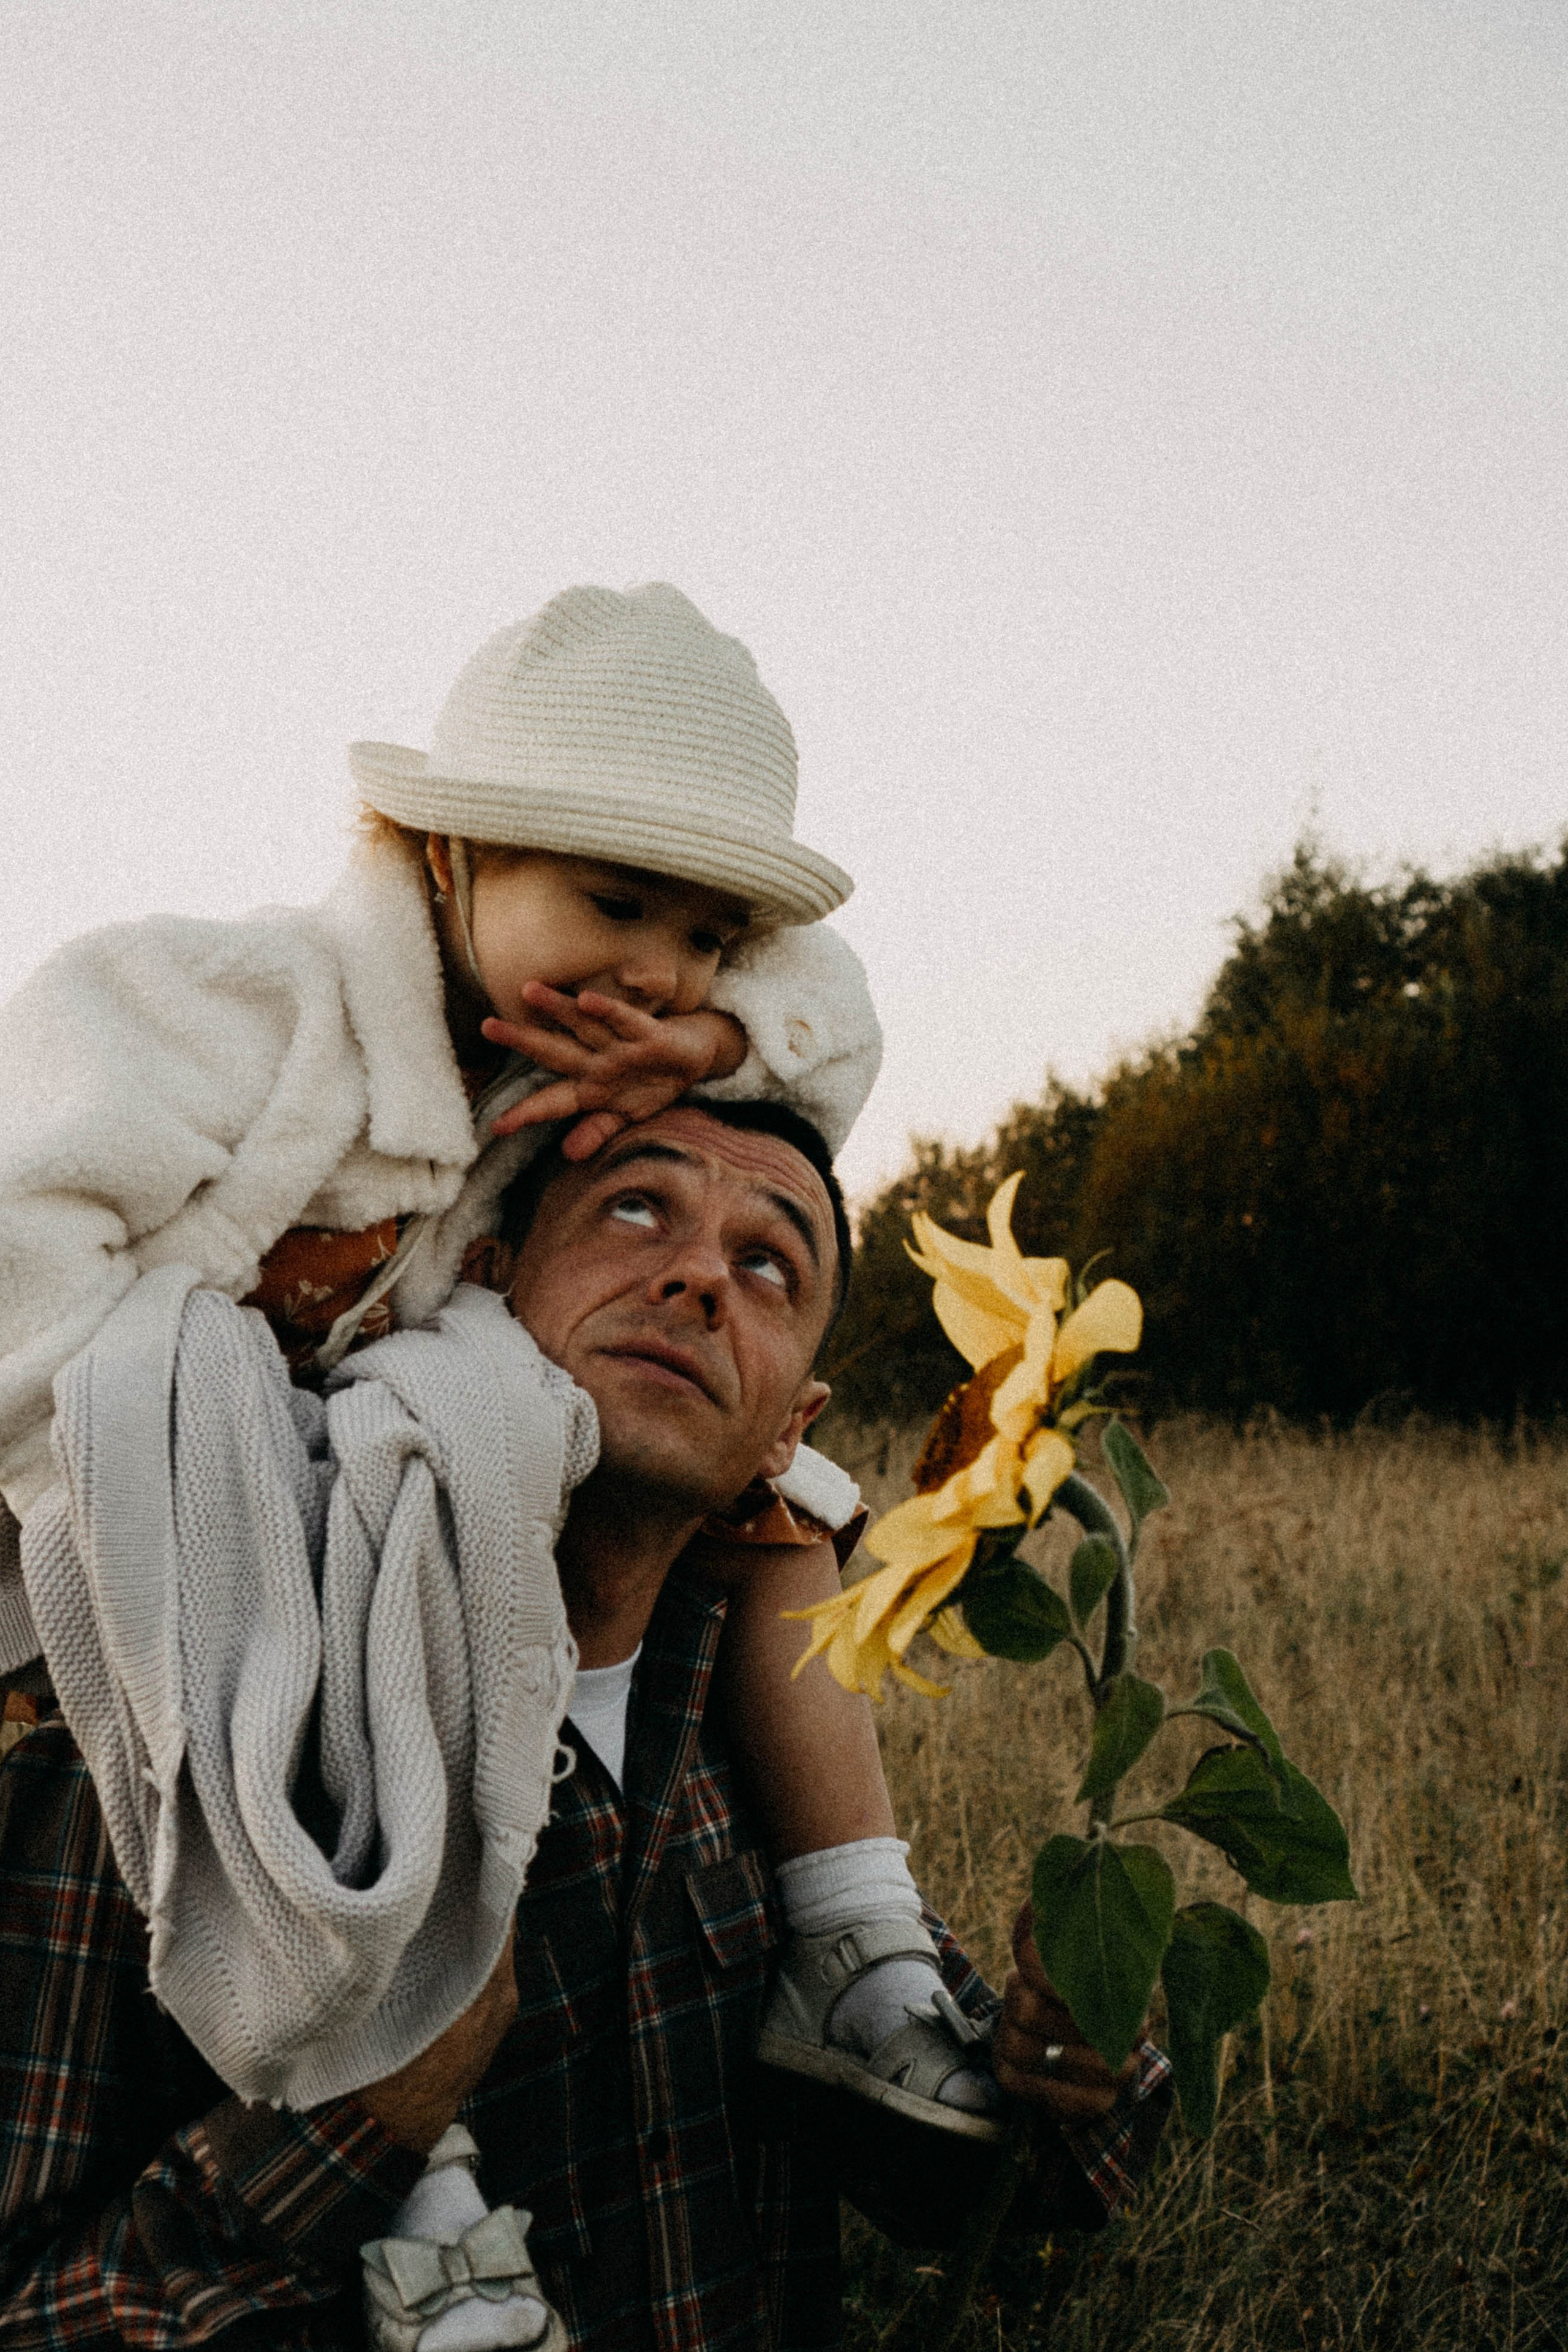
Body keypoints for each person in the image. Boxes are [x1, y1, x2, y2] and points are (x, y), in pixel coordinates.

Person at [0, 582, 958, 2331]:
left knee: (789, 1508)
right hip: (147, 1520)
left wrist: (724, 1041)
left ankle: (859, 1934)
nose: (656, 972)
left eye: (702, 933)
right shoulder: (250, 1005)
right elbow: (23, 1215)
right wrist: (182, 1441)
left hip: (392, 1477)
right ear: (442, 859)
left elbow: (836, 1020)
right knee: (324, 1615)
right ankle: (414, 2178)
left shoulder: (599, 1061)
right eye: (614, 901)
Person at [0, 1098, 1170, 2350]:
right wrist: (363, 2125)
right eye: (635, 1207)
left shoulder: (760, 1742)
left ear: (792, 1428)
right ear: (481, 1285)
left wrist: (1067, 2068)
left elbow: (963, 2185)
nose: (698, 1276)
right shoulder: (169, 1728)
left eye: (767, 1263)